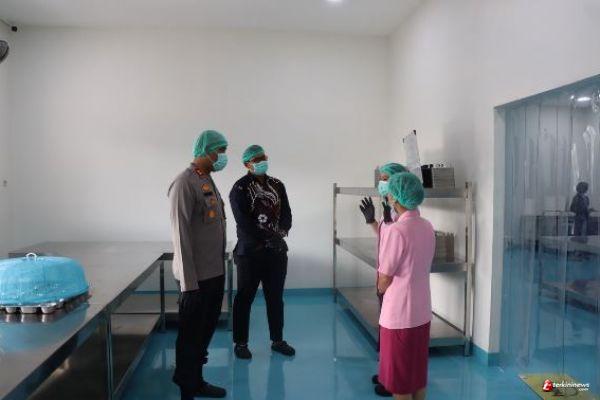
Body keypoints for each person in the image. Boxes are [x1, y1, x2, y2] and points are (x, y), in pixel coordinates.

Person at [168, 130, 229, 400]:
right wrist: (189, 284)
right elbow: (180, 236)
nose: (223, 156)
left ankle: (196, 380)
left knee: (204, 333)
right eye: (220, 150)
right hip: (195, 279)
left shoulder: (206, 179)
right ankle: (187, 389)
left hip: (213, 272)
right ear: (205, 151)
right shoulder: (184, 183)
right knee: (190, 337)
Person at [230, 145, 295, 359]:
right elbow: (243, 221)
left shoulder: (277, 184)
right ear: (247, 164)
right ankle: (241, 343)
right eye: (257, 159)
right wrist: (267, 237)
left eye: (263, 157)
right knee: (244, 298)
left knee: (275, 297)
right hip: (250, 252)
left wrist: (281, 233)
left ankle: (277, 340)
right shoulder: (240, 188)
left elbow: (286, 214)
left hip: (276, 252)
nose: (262, 161)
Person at [377, 172, 435, 400]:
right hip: (422, 312)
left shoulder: (397, 231)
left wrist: (381, 288)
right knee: (416, 376)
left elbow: (384, 277)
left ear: (395, 198)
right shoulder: (427, 226)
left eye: (390, 193)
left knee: (400, 383)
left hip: (400, 316)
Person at [358, 162, 407, 397]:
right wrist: (373, 222)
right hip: (385, 277)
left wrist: (383, 283)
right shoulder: (390, 207)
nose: (382, 182)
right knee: (385, 333)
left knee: (393, 336)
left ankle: (393, 380)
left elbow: (397, 241)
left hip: (393, 282)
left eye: (386, 178)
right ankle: (386, 373)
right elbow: (385, 236)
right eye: (381, 178)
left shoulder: (404, 210)